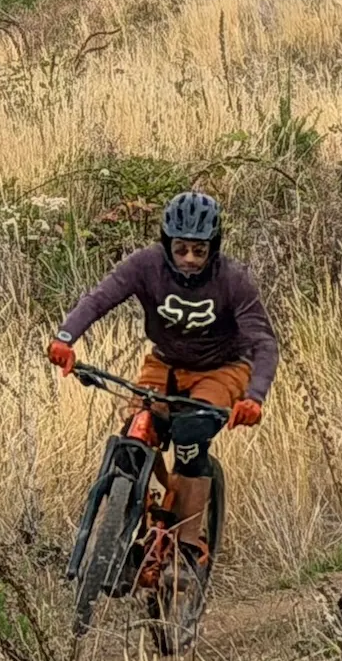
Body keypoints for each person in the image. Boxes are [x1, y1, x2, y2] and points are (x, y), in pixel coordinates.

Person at [45, 190, 277, 558]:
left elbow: (264, 344)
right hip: (164, 364)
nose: (188, 259)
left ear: (213, 248)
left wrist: (254, 396)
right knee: (135, 437)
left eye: (199, 251)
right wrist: (65, 337)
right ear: (167, 243)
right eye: (181, 248)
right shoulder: (145, 265)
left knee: (190, 436)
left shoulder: (234, 280)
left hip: (223, 369)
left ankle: (187, 546)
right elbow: (99, 298)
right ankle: (130, 531)